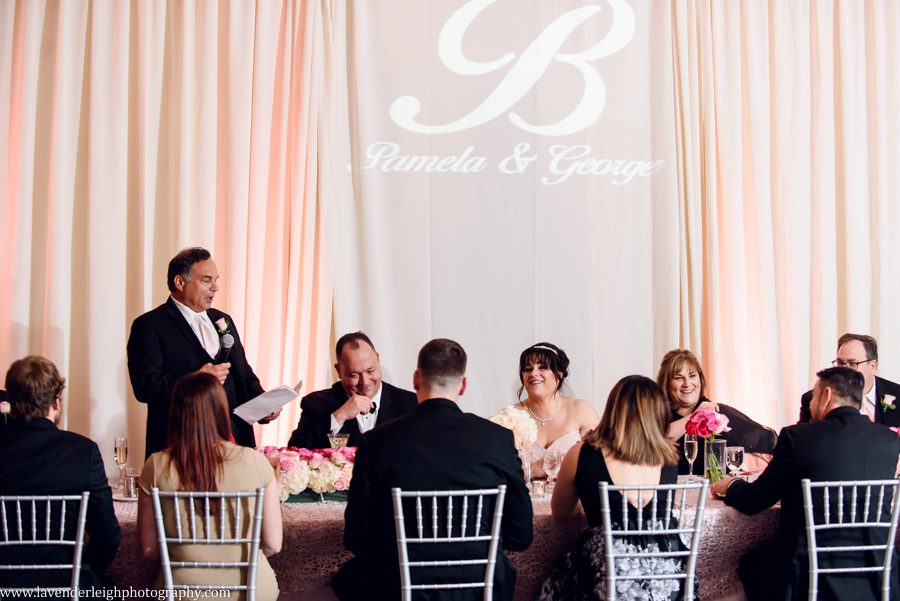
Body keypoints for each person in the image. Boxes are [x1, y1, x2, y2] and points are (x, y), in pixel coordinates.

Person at [333, 339, 533, 600]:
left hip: (397, 588)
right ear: (463, 385)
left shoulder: (377, 442)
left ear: (416, 379)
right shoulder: (498, 440)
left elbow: (357, 539)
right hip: (477, 588)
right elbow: (521, 536)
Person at [711, 367, 900, 601]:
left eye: (814, 396)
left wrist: (731, 485)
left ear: (826, 396)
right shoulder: (889, 440)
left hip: (809, 572)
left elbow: (755, 500)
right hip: (877, 571)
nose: (810, 404)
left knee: (751, 565)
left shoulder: (797, 437)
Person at [540, 375, 690, 600]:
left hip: (607, 574)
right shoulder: (670, 457)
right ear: (657, 413)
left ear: (613, 410)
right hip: (667, 579)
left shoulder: (581, 453)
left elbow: (562, 514)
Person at [137, 372, 282, 599]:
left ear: (176, 413)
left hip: (183, 592)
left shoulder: (156, 465)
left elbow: (149, 551)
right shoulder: (256, 462)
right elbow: (273, 544)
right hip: (250, 589)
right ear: (221, 411)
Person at [127, 247, 277, 458]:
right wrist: (195, 379)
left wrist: (263, 403)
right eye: (206, 280)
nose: (215, 288)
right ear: (180, 282)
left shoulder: (223, 319)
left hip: (235, 445)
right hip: (181, 447)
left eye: (216, 280)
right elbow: (145, 388)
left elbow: (243, 374)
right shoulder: (149, 325)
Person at [0, 356, 121, 589]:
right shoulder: (83, 452)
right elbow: (108, 535)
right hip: (66, 585)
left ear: (11, 401)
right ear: (56, 402)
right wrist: (84, 570)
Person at [287, 331, 417, 449]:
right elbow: (295, 450)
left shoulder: (410, 403)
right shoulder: (315, 404)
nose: (365, 382)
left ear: (377, 359)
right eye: (354, 375)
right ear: (339, 370)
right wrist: (339, 416)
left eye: (370, 371)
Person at [658, 349, 777, 475]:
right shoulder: (658, 415)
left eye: (692, 376)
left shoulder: (719, 413)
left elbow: (767, 440)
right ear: (666, 383)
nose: (687, 384)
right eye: (678, 378)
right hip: (670, 493)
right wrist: (695, 416)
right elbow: (658, 441)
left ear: (700, 379)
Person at [512, 342, 600, 477]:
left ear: (559, 374)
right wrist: (532, 470)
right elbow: (496, 470)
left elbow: (599, 461)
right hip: (523, 497)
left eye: (542, 367)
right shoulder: (510, 416)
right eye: (528, 369)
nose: (534, 373)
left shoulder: (582, 410)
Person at [798, 333, 900, 426]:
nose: (844, 370)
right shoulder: (814, 398)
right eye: (840, 363)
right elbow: (805, 441)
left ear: (873, 366)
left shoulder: (897, 394)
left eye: (853, 363)